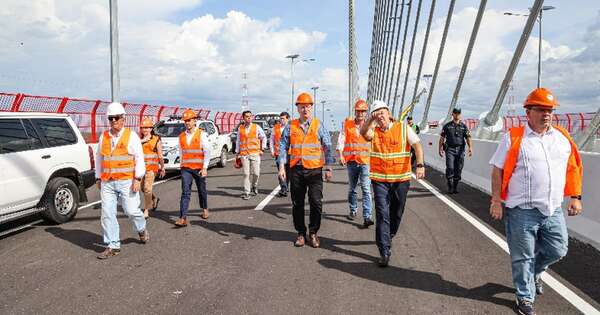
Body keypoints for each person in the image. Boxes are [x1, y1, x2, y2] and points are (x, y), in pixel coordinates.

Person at [489, 88, 583, 315]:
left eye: (550, 110)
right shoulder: (514, 137)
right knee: (522, 257)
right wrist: (496, 201)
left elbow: (573, 168)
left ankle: (534, 274)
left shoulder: (562, 137)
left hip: (552, 209)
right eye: (541, 109)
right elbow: (497, 170)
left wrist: (575, 197)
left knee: (558, 249)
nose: (546, 114)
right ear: (528, 112)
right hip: (521, 210)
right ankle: (524, 297)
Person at [360, 100, 424, 267]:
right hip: (380, 180)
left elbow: (417, 145)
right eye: (376, 114)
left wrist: (420, 165)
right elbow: (363, 133)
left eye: (382, 112)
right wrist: (369, 120)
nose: (380, 116)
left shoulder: (403, 128)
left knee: (397, 212)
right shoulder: (373, 131)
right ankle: (384, 250)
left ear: (388, 113)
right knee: (382, 214)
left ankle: (389, 234)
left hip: (401, 180)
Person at [278, 92, 335, 248]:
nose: (305, 109)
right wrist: (282, 166)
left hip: (315, 170)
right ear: (297, 108)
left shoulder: (318, 125)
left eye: (307, 106)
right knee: (297, 203)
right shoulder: (291, 126)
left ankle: (313, 232)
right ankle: (301, 234)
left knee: (316, 202)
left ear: (311, 108)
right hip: (296, 170)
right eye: (302, 107)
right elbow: (283, 146)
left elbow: (328, 146)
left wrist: (328, 167)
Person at [95, 102, 148, 259]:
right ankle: (113, 245)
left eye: (116, 118)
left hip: (127, 181)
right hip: (108, 182)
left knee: (131, 211)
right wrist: (98, 176)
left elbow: (139, 158)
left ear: (123, 119)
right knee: (107, 213)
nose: (113, 121)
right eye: (110, 118)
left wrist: (138, 178)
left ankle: (141, 228)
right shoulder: (103, 136)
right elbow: (99, 158)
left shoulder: (131, 136)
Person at [337, 99, 374, 228]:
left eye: (363, 111)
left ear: (366, 113)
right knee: (352, 188)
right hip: (351, 161)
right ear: (355, 111)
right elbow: (341, 139)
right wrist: (341, 154)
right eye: (358, 111)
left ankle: (367, 216)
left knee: (366, 189)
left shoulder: (371, 125)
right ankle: (353, 210)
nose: (360, 113)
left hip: (365, 162)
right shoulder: (347, 124)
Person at [175, 109, 211, 227]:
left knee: (201, 190)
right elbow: (181, 152)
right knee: (185, 192)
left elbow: (207, 152)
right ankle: (182, 217)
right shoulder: (181, 136)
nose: (187, 123)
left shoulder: (202, 134)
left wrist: (205, 168)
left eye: (189, 120)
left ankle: (204, 208)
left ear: (194, 121)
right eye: (185, 121)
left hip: (199, 168)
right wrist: (181, 165)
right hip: (186, 168)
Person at [438, 107, 473, 194]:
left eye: (458, 113)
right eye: (455, 113)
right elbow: (442, 138)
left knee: (459, 168)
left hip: (460, 150)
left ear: (460, 115)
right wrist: (440, 148)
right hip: (450, 149)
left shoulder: (464, 126)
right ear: (452, 114)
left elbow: (468, 138)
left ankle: (455, 187)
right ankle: (450, 186)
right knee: (450, 167)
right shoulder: (447, 126)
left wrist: (470, 148)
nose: (457, 115)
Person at [236, 110, 267, 200]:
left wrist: (262, 149)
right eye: (247, 116)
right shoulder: (240, 128)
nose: (249, 118)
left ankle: (254, 186)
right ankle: (247, 192)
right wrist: (237, 152)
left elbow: (263, 137)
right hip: (244, 154)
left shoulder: (256, 127)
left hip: (255, 153)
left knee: (256, 173)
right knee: (246, 174)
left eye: (250, 116)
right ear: (243, 118)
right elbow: (238, 141)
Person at [139, 116, 165, 218]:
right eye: (143, 128)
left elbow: (160, 155)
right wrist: (143, 140)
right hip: (141, 168)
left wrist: (162, 167)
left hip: (152, 168)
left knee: (147, 188)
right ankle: (154, 199)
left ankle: (146, 210)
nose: (144, 130)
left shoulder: (156, 140)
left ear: (151, 129)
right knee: (142, 188)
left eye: (146, 127)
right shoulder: (139, 140)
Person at [270, 112, 290, 197]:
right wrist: (271, 150)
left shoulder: (292, 128)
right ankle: (283, 189)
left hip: (290, 154)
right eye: (280, 118)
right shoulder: (276, 128)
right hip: (279, 153)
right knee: (281, 171)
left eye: (283, 118)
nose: (281, 120)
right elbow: (271, 139)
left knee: (288, 172)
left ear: (287, 119)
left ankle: (286, 186)